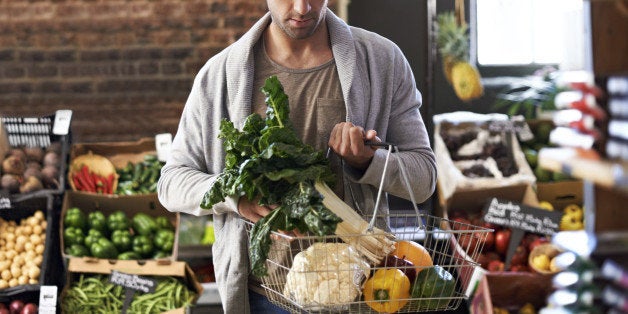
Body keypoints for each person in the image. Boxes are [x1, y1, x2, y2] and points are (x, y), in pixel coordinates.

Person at [157, 0, 437, 313]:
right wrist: (235, 195)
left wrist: (368, 162)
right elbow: (171, 183)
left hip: (365, 292)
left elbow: (424, 177)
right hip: (263, 298)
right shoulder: (218, 76)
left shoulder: (383, 61)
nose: (302, 8)